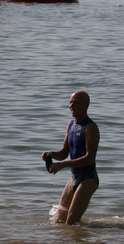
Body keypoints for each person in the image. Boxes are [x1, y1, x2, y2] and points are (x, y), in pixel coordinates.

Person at [42, 90, 100, 225]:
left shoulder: (90, 127)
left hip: (88, 178)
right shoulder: (71, 125)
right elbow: (64, 153)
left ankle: (82, 239)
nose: (71, 106)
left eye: (76, 103)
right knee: (59, 220)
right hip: (74, 178)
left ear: (85, 106)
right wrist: (51, 154)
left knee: (71, 222)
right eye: (70, 102)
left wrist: (62, 164)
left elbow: (89, 158)